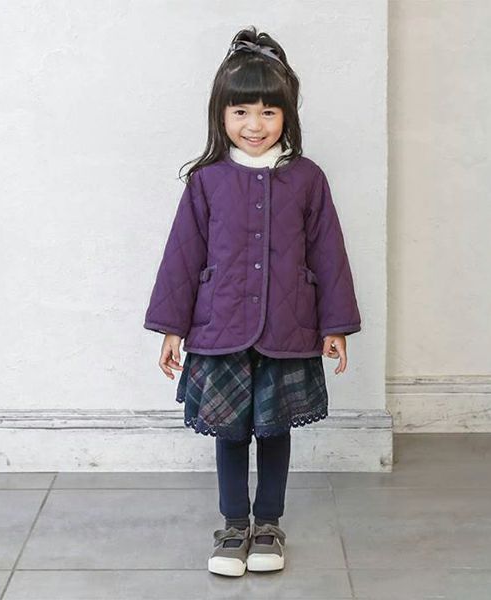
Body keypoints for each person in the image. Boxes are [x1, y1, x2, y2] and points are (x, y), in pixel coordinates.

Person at [143, 26, 361, 577]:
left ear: (287, 115)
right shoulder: (207, 181)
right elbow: (182, 255)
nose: (254, 125)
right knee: (231, 431)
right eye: (241, 112)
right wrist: (172, 328)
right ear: (221, 115)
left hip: (289, 327)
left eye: (268, 112)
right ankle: (233, 525)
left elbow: (329, 253)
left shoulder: (307, 179)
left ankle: (268, 525)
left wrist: (334, 325)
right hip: (220, 327)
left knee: (274, 429)